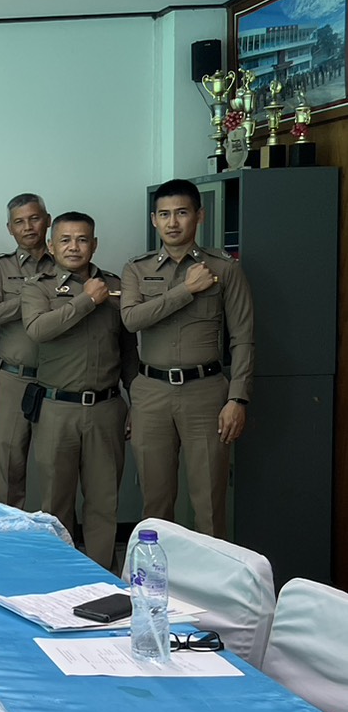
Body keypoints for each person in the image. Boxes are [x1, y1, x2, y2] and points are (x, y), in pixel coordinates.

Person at [121, 179, 254, 538]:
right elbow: (131, 319)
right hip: (151, 393)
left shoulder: (224, 268)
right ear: (154, 220)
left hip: (205, 393)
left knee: (209, 503)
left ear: (199, 216)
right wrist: (186, 290)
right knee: (155, 503)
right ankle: (157, 572)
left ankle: (209, 576)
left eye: (181, 213)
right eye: (164, 214)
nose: (173, 222)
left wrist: (237, 399)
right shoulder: (137, 268)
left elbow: (243, 338)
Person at [22, 213, 137, 567]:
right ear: (52, 245)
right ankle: (59, 576)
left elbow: (129, 351)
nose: (74, 247)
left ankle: (102, 577)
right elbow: (38, 329)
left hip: (106, 408)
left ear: (94, 244)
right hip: (57, 409)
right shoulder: (38, 287)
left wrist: (136, 403)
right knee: (56, 505)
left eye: (82, 239)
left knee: (104, 502)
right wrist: (86, 300)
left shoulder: (115, 286)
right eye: (66, 240)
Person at [0, 193, 53, 507]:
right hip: (14, 379)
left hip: (59, 379)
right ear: (10, 228)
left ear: (47, 221)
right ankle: (10, 533)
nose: (28, 227)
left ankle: (55, 532)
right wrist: (33, 294)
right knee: (9, 466)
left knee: (56, 467)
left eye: (34, 219)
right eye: (19, 222)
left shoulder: (66, 260)